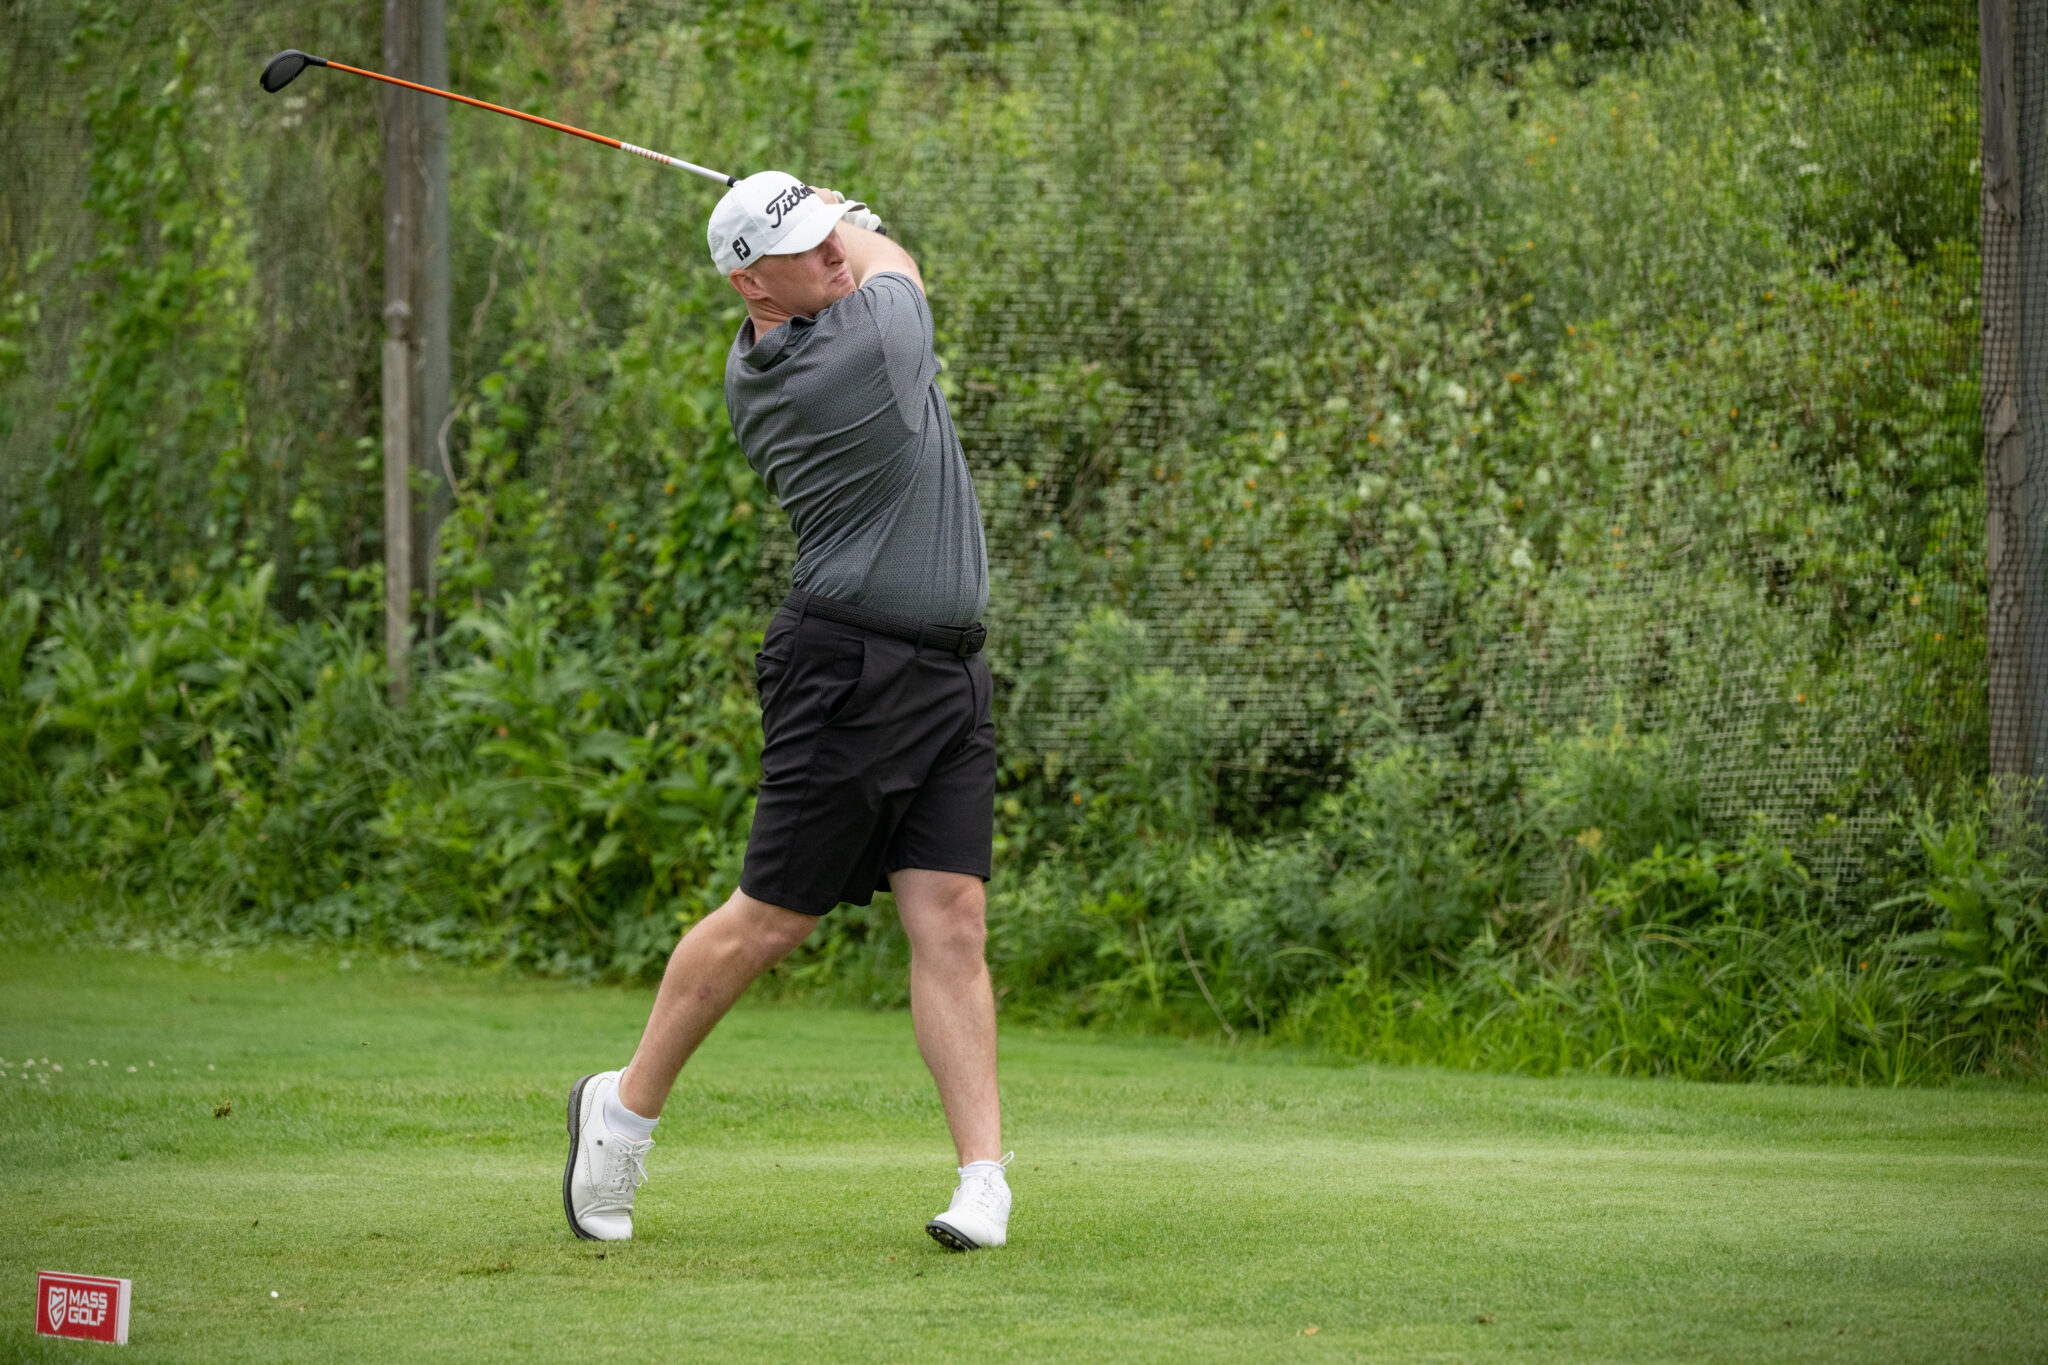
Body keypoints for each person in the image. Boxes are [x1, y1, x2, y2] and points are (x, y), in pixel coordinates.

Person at [562, 171, 1010, 1252]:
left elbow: (855, 262)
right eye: (805, 248)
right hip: (846, 668)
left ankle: (981, 1181)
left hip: (948, 672)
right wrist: (858, 214)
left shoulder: (811, 319)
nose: (831, 256)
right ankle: (618, 1114)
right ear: (750, 286)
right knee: (775, 918)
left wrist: (821, 212)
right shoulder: (848, 357)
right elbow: (903, 266)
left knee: (951, 916)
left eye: (826, 239)